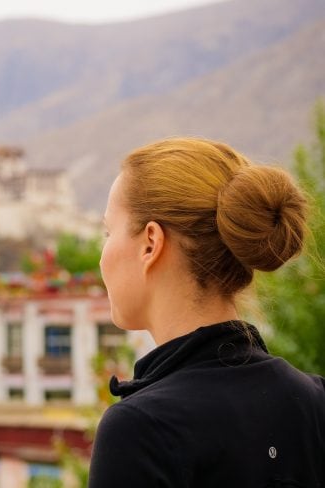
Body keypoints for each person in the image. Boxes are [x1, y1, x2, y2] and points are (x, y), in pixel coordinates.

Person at [88, 138, 325, 487]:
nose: (102, 255)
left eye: (109, 232)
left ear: (150, 243)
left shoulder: (141, 429)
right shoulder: (315, 402)